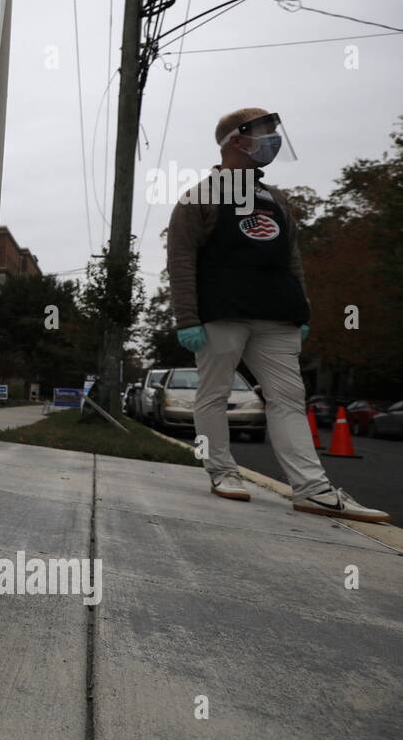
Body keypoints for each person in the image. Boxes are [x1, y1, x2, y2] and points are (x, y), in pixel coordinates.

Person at [166, 107, 389, 523]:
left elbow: (293, 260)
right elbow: (181, 260)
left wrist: (301, 309)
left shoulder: (276, 200)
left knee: (288, 399)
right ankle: (222, 472)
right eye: (266, 133)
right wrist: (187, 318)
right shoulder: (201, 195)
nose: (274, 141)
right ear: (237, 139)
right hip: (221, 314)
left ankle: (312, 489)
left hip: (277, 317)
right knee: (214, 395)